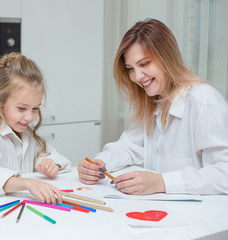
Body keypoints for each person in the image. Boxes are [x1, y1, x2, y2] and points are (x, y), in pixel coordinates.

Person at [78, 18, 228, 195]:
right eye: (130, 68)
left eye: (144, 64)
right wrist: (98, 164)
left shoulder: (204, 100)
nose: (137, 76)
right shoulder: (155, 103)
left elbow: (224, 174)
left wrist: (161, 182)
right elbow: (127, 146)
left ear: (167, 57)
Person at [0, 52, 71, 204]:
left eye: (35, 109)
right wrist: (28, 183)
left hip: (13, 206)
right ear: (0, 102)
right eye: (22, 108)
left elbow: (53, 156)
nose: (29, 117)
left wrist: (50, 163)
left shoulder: (26, 135)